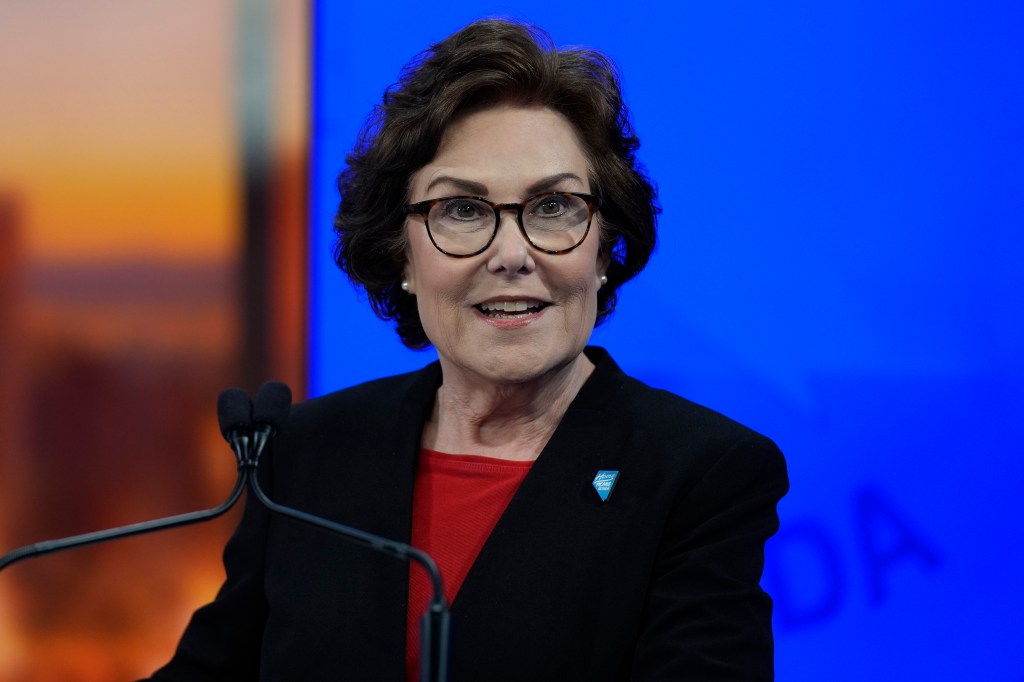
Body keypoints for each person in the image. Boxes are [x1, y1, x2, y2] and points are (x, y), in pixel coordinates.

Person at [146, 17, 788, 681]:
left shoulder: (701, 476)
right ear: (402, 255)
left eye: (554, 207)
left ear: (604, 250)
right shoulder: (308, 456)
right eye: (461, 210)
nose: (512, 254)